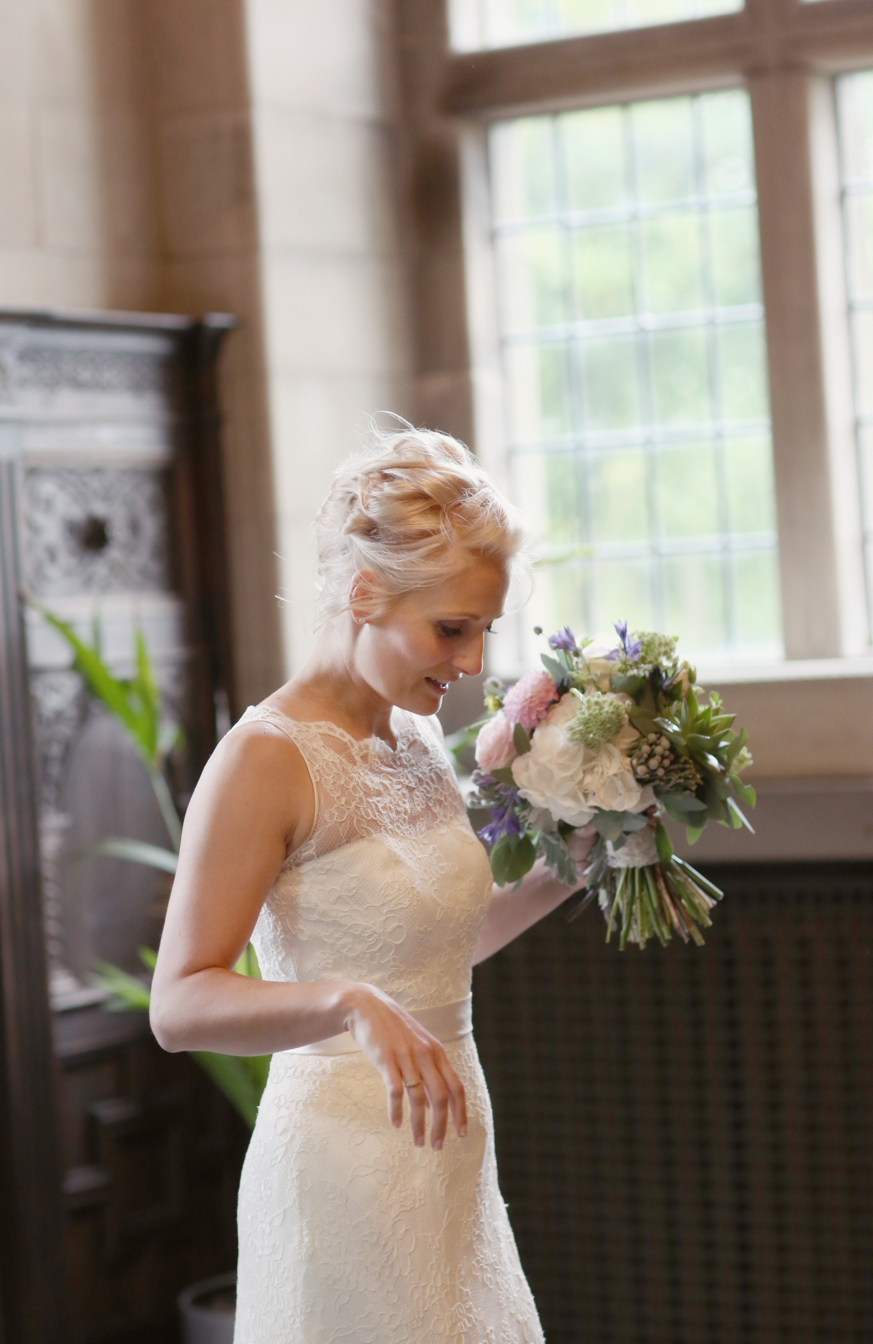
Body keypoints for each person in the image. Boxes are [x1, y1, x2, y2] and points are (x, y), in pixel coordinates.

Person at [150, 424, 595, 1343]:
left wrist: (575, 867)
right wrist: (350, 1002)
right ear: (362, 593)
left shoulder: (416, 735)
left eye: (483, 631)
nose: (472, 663)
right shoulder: (262, 760)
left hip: (450, 1160)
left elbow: (433, 950)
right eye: (451, 629)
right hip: (340, 1165)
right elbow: (179, 1005)